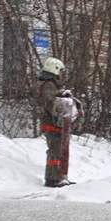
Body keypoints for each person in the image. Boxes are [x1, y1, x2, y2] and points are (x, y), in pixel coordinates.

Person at [37, 57, 76, 187]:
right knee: (55, 151)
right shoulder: (48, 84)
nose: (61, 74)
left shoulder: (52, 84)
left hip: (55, 123)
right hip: (51, 123)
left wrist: (61, 94)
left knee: (58, 150)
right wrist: (61, 99)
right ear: (55, 69)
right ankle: (52, 179)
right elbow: (50, 102)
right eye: (60, 71)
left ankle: (58, 177)